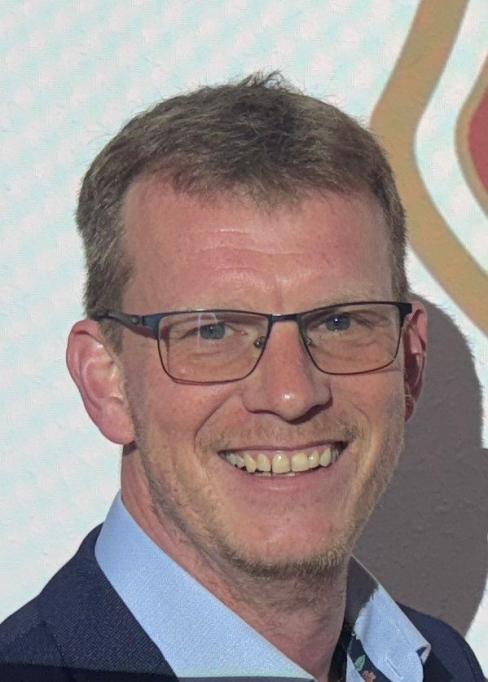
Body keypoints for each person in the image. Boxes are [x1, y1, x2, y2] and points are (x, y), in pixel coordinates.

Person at [0, 73, 484, 682]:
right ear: (107, 381)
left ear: (410, 363)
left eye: (338, 322)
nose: (291, 393)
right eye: (213, 332)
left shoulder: (439, 662)